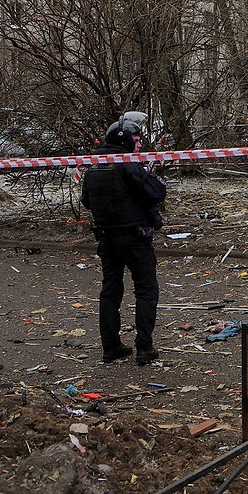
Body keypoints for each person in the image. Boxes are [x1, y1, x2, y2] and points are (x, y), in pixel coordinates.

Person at [80, 116, 167, 366]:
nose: (139, 145)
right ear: (125, 141)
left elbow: (86, 201)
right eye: (136, 140)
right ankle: (144, 347)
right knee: (146, 289)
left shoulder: (94, 165)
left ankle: (111, 347)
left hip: (107, 238)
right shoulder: (126, 163)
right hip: (134, 237)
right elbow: (155, 192)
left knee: (110, 291)